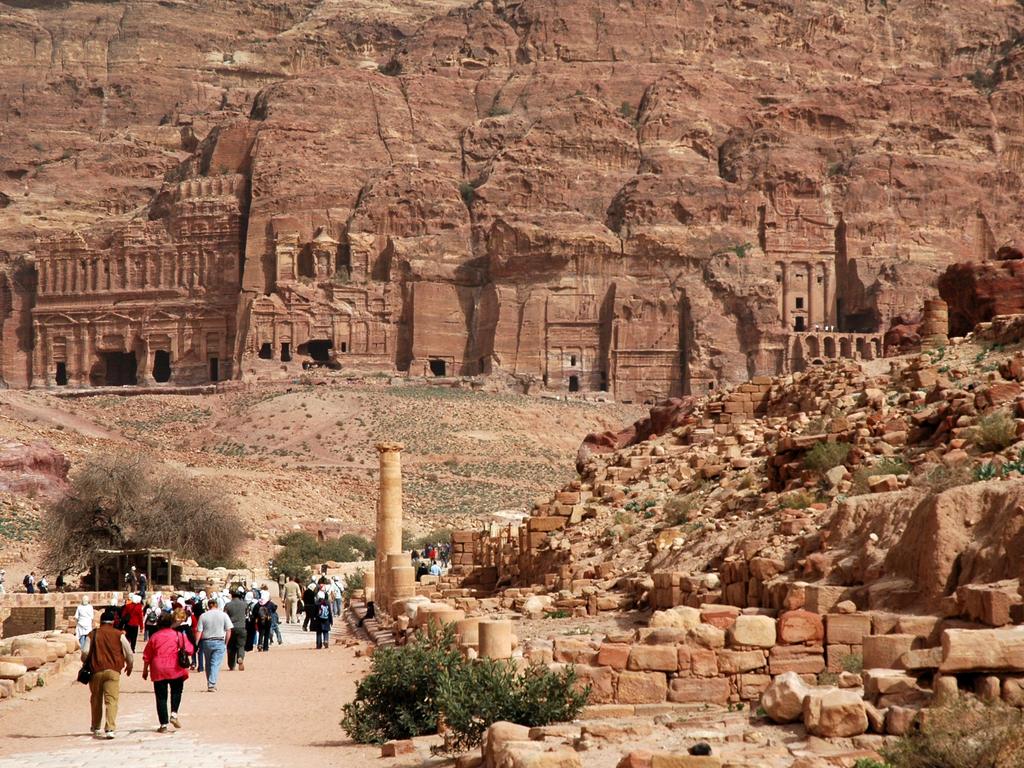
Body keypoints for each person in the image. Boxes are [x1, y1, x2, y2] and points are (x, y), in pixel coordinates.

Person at [81, 608, 134, 739]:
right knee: (111, 700)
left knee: (96, 699)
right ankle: (110, 728)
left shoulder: (92, 634)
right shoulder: (118, 634)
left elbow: (85, 652)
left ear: (100, 621)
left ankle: (96, 726)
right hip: (113, 670)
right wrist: (129, 665)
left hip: (96, 670)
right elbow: (128, 652)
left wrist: (85, 662)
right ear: (113, 622)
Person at [142, 612, 194, 732]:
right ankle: (174, 714)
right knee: (176, 691)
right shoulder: (178, 635)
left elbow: (147, 655)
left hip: (158, 668)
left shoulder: (154, 636)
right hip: (175, 667)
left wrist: (145, 670)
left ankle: (163, 724)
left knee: (161, 696)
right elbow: (190, 650)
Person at [194, 596, 232, 692]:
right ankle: (211, 684)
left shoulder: (203, 616)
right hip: (219, 640)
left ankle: (210, 682)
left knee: (208, 663)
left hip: (206, 641)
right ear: (217, 605)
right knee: (215, 663)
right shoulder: (223, 615)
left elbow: (199, 631)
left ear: (208, 606)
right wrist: (226, 643)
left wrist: (196, 643)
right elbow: (228, 630)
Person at [223, 588, 248, 671]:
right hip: (241, 627)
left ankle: (231, 665)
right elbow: (247, 615)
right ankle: (240, 657)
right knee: (241, 645)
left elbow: (225, 616)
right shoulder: (244, 604)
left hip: (231, 628)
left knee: (230, 647)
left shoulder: (228, 605)